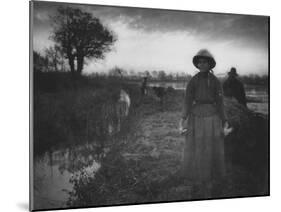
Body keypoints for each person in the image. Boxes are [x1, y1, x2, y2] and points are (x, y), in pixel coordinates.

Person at [179, 49, 227, 196]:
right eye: (200, 62)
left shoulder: (215, 82)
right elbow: (187, 100)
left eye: (205, 62)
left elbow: (220, 102)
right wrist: (183, 119)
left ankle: (211, 178)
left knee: (211, 147)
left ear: (210, 64)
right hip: (196, 116)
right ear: (197, 64)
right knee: (197, 147)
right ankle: (196, 178)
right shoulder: (193, 81)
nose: (202, 64)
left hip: (212, 117)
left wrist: (224, 121)